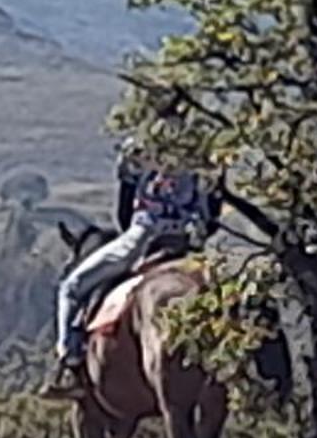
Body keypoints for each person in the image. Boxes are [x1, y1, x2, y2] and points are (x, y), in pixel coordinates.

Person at [44, 104, 221, 401]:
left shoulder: (136, 150)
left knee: (72, 288)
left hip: (142, 237)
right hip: (189, 242)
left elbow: (124, 211)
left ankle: (70, 359)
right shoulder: (204, 153)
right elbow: (211, 212)